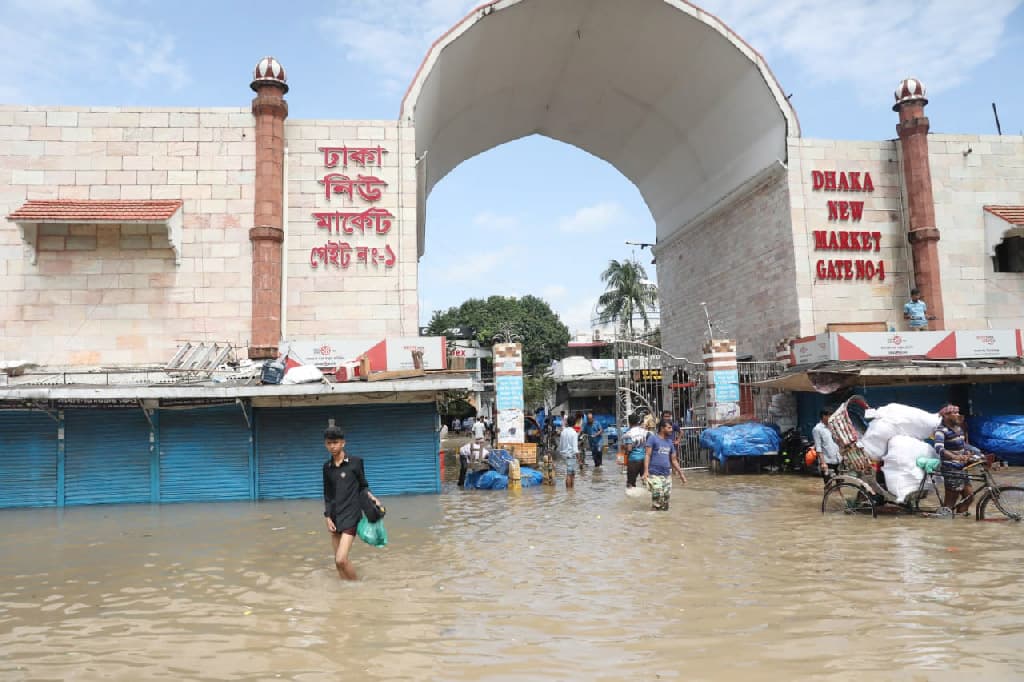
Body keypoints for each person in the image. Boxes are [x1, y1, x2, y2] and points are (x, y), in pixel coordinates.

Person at [322, 425, 381, 581]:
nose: (332, 446)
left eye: (335, 442)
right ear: (325, 445)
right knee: (337, 563)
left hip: (351, 515)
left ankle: (357, 586)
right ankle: (346, 591)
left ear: (343, 443)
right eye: (329, 443)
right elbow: (327, 495)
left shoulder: (355, 462)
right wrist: (327, 517)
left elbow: (363, 485)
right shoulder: (326, 468)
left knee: (341, 559)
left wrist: (372, 497)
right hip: (335, 516)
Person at [933, 404, 984, 514]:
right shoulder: (941, 431)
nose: (958, 415)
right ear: (946, 416)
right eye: (955, 413)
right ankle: (943, 520)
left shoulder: (959, 429)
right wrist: (955, 456)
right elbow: (939, 448)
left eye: (958, 412)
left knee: (969, 497)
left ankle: (961, 522)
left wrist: (977, 453)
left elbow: (963, 445)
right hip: (950, 468)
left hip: (961, 468)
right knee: (949, 504)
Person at [644, 419, 687, 511]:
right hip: (654, 473)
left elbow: (674, 460)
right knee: (657, 496)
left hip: (666, 474)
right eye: (669, 428)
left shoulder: (669, 443)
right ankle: (653, 517)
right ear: (662, 428)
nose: (671, 430)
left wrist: (681, 474)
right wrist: (646, 471)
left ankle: (663, 522)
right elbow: (647, 455)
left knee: (666, 500)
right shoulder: (653, 439)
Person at [620, 413, 649, 487]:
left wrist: (623, 447)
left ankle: (631, 498)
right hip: (644, 459)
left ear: (629, 422)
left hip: (633, 460)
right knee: (646, 483)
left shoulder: (629, 433)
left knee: (630, 484)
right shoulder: (644, 432)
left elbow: (629, 448)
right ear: (638, 421)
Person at [812, 410, 841, 479]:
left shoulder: (833, 427)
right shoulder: (817, 429)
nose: (832, 418)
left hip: (838, 459)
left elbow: (838, 442)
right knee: (828, 485)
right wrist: (823, 463)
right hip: (827, 461)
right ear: (824, 416)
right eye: (830, 416)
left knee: (839, 485)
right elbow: (818, 447)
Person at [558, 415, 580, 488]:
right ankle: (569, 492)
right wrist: (579, 459)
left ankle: (570, 492)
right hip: (571, 455)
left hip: (564, 455)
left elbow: (560, 445)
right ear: (574, 423)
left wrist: (561, 453)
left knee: (571, 473)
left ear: (567, 422)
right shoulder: (574, 433)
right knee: (570, 474)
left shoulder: (563, 432)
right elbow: (575, 449)